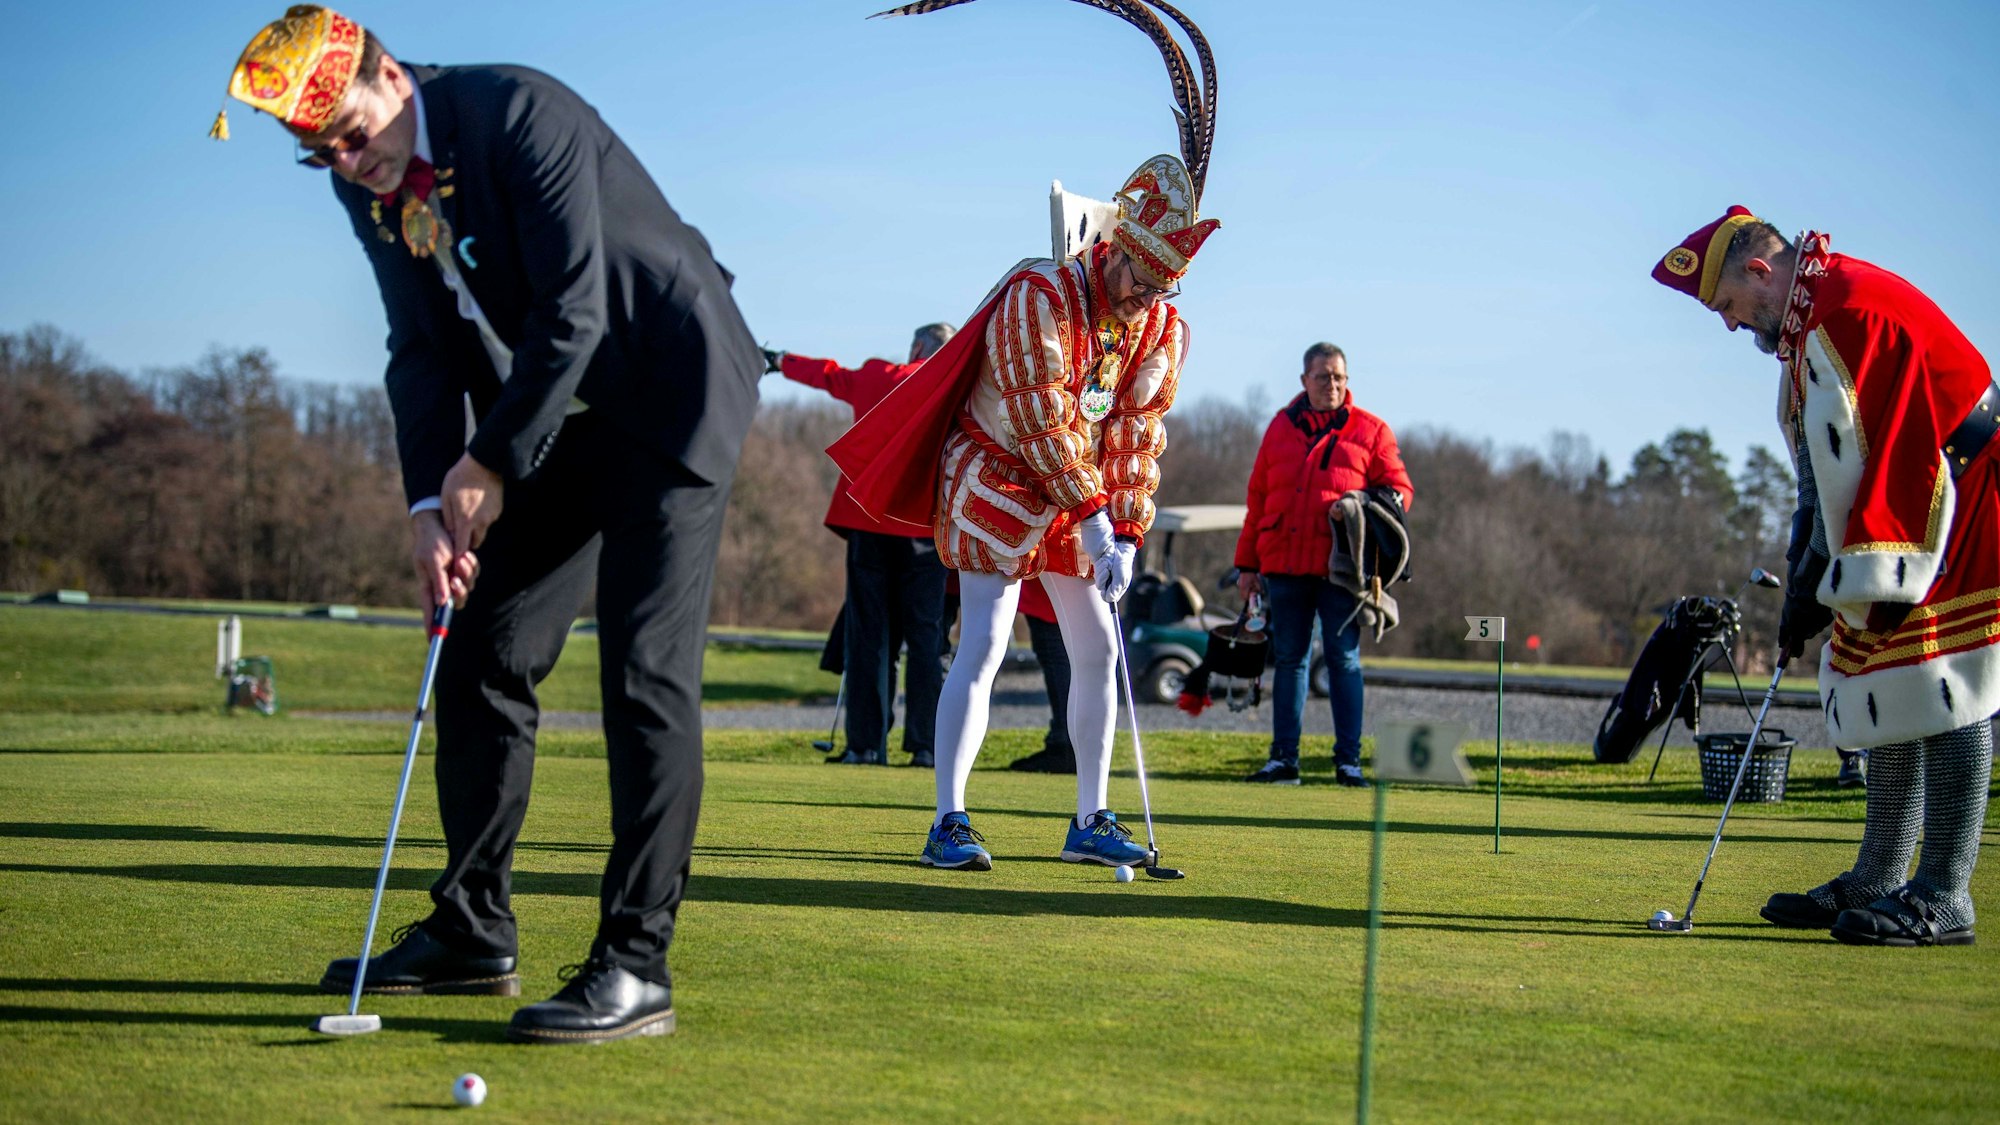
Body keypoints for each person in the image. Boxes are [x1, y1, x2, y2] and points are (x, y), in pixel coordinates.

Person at [212, 7, 761, 1039]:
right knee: (482, 652)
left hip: (671, 387)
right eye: (317, 149)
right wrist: (429, 503)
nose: (344, 157)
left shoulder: (515, 111)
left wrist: (490, 462)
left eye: (352, 132)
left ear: (389, 77)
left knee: (642, 672)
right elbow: (419, 350)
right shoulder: (361, 185)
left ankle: (636, 966)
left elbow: (573, 310)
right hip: (555, 417)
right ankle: (473, 929)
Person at [1652, 207, 1999, 945]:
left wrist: (1818, 576)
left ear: (1757, 271)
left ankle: (1944, 891)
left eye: (1726, 307)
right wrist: (1802, 573)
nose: (1728, 325)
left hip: (1962, 491)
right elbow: (1821, 478)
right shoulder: (1811, 326)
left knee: (1950, 681)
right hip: (1916, 505)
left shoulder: (1847, 311)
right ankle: (1879, 877)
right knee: (1890, 681)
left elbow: (1883, 458)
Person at [765, 325, 957, 768]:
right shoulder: (956, 388)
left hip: (869, 525)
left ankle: (866, 746)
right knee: (928, 641)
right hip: (928, 530)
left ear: (916, 347)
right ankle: (927, 747)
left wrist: (779, 360)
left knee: (870, 636)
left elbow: (828, 374)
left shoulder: (877, 376)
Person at [1234, 345, 1414, 787]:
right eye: (1323, 377)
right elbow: (1257, 499)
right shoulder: (1279, 427)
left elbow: (1400, 492)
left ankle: (1348, 763)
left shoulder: (1372, 430)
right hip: (1283, 565)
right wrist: (1246, 565)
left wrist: (1358, 504)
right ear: (1304, 381)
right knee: (1291, 662)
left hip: (1341, 573)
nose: (1332, 385)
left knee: (1344, 661)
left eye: (1339, 377)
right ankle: (1284, 762)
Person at [1010, 579, 1078, 773]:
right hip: (1054, 585)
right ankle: (1063, 743)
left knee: (1057, 659)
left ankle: (1064, 746)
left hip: (1054, 582)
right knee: (1056, 659)